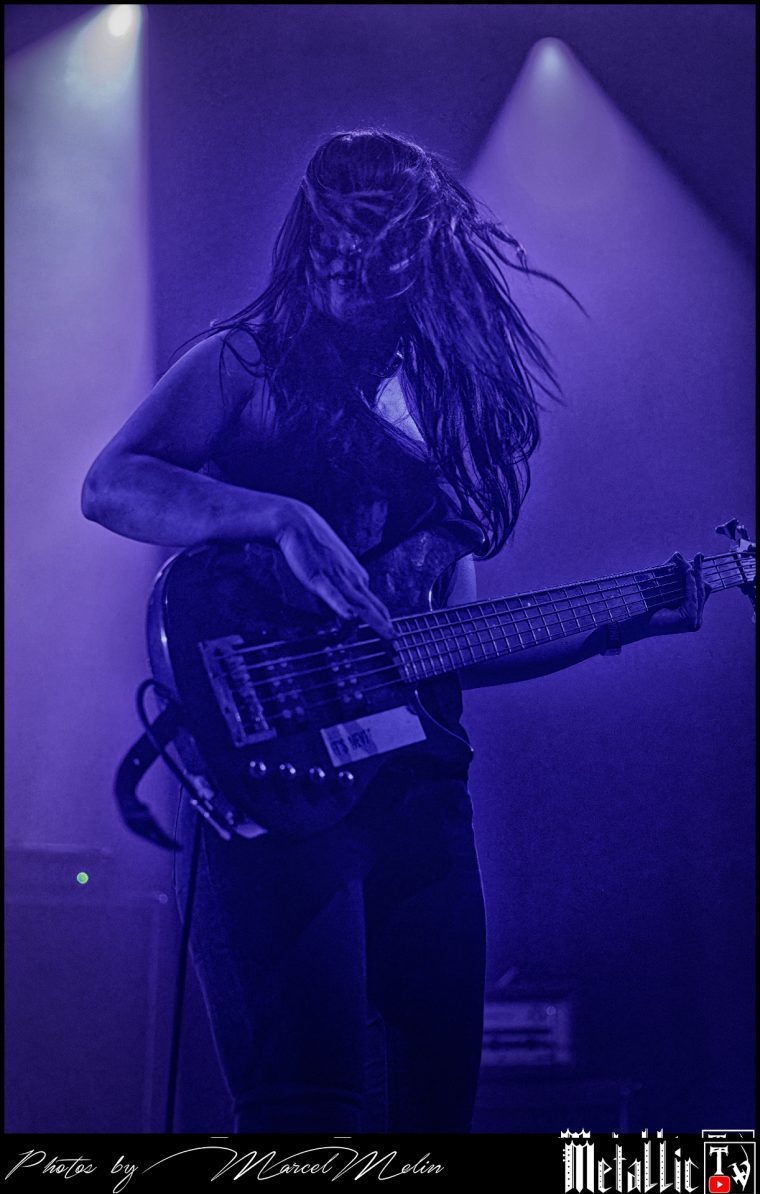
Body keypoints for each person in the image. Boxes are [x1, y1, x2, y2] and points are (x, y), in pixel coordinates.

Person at [81, 129, 710, 1135]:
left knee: (432, 1110)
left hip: (420, 796)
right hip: (278, 782)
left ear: (423, 253)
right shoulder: (244, 363)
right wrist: (273, 516)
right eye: (328, 239)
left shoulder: (446, 407)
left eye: (371, 248)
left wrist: (617, 625)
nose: (342, 265)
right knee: (305, 1108)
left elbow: (443, 641)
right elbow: (112, 483)